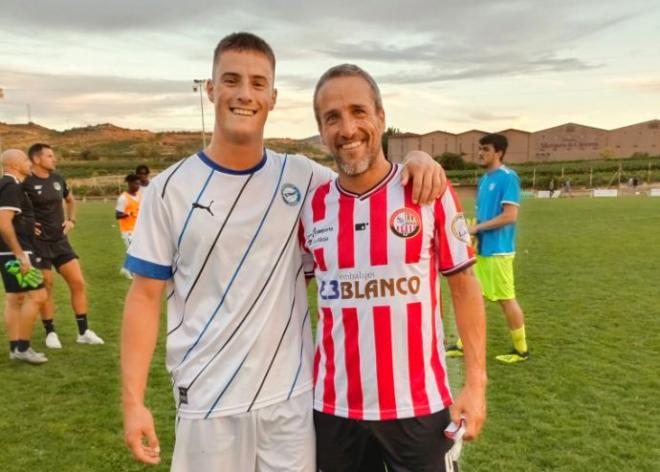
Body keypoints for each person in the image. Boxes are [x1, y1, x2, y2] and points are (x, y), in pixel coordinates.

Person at [120, 32, 445, 470]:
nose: (244, 94)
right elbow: (143, 297)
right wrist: (133, 402)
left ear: (272, 97)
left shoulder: (303, 179)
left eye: (257, 83)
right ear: (211, 88)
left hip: (291, 402)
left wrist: (420, 161)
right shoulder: (167, 191)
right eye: (231, 80)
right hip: (206, 400)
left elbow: (366, 175)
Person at [301, 63, 487, 471]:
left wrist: (476, 385)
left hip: (418, 406)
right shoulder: (311, 208)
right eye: (332, 117)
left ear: (381, 118)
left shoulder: (427, 191)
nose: (347, 128)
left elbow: (465, 286)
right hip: (335, 410)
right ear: (321, 130)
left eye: (358, 111)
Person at [447, 133, 529, 364]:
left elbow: (510, 216)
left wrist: (476, 229)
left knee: (506, 299)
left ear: (499, 153)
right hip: (482, 249)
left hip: (499, 251)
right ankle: (464, 345)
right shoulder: (484, 180)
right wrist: (473, 230)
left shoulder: (508, 177)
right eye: (479, 149)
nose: (480, 153)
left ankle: (521, 350)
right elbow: (486, 215)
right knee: (474, 297)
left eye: (485, 149)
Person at [24, 143, 104, 349]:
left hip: (60, 241)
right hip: (38, 244)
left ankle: (83, 331)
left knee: (78, 283)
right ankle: (50, 332)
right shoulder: (25, 182)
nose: (54, 159)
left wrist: (72, 220)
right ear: (36, 159)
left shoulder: (58, 179)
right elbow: (13, 209)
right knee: (46, 287)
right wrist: (27, 225)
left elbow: (69, 199)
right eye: (49, 156)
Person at [0, 149, 48, 364]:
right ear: (15, 164)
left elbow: (11, 219)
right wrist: (20, 254)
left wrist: (28, 225)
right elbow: (3, 223)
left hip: (8, 251)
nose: (30, 163)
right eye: (26, 160)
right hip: (18, 252)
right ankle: (23, 347)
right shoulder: (11, 185)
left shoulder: (7, 185)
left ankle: (15, 348)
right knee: (38, 296)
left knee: (15, 299)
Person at [116, 174, 142, 279]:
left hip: (138, 229)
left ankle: (125, 268)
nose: (138, 186)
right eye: (136, 183)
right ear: (130, 184)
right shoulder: (123, 198)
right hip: (127, 230)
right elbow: (117, 215)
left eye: (139, 184)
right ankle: (129, 270)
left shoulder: (139, 195)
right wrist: (129, 214)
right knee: (133, 250)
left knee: (135, 250)